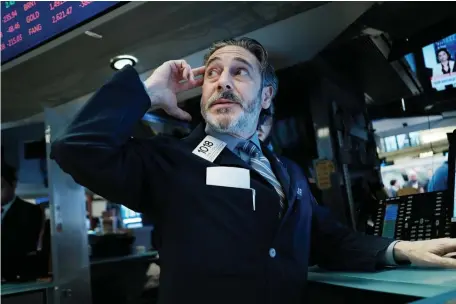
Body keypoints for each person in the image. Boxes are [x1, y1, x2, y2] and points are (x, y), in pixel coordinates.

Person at [50, 37, 456, 304]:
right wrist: (145, 92)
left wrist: (400, 250)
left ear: (265, 96)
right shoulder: (168, 161)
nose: (222, 81)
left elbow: (327, 239)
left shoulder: (289, 172)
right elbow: (76, 148)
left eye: (239, 71)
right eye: (212, 72)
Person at [1, 161, 43, 281]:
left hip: (17, 278)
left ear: (13, 185)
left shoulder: (30, 211)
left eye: (0, 187)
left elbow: (22, 246)